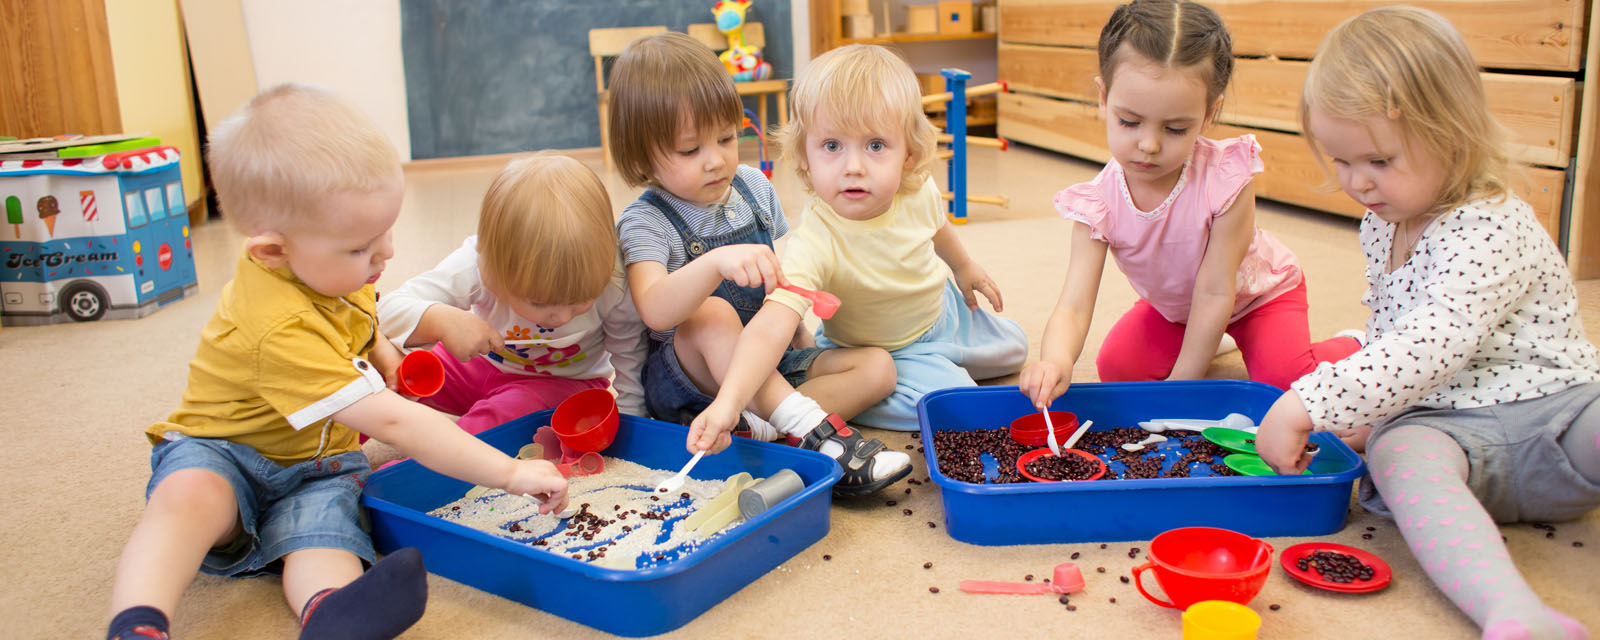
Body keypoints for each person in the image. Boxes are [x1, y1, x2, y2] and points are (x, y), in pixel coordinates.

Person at [105, 84, 570, 640]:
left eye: (385, 234)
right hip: (227, 452)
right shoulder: (276, 325)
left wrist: (384, 353)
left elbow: (362, 315)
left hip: (318, 464)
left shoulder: (336, 274)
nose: (387, 255)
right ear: (273, 252)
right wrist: (509, 473)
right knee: (189, 499)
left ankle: (330, 612)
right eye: (360, 247)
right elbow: (395, 422)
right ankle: (139, 621)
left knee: (326, 533)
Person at [1254, 7, 1600, 639]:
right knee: (1397, 452)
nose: (1357, 182)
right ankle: (1512, 611)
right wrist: (1365, 418)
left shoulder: (1489, 222)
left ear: (1454, 134)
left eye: (1380, 161)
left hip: (1559, 415)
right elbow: (1396, 336)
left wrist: (1311, 400)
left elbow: (1436, 338)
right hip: (1452, 435)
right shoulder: (1381, 222)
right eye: (1340, 160)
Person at [1018, 0, 1360, 412]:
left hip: (1258, 295)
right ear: (1103, 98)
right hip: (1176, 308)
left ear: (1208, 114)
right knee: (1118, 368)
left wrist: (1183, 385)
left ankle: (1354, 344)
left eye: (1176, 128)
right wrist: (1055, 358)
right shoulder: (1097, 202)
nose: (1149, 144)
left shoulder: (1227, 178)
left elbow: (1217, 291)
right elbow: (1072, 305)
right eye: (1129, 122)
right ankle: (1209, 343)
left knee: (1283, 388)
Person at [608, 32, 910, 496]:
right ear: (642, 156)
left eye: (727, 138)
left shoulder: (753, 186)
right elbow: (654, 309)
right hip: (693, 384)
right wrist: (713, 264)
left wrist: (801, 338)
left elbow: (777, 286)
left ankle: (761, 430)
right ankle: (816, 431)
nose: (715, 161)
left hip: (764, 367)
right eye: (690, 150)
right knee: (710, 313)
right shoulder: (645, 221)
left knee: (878, 368)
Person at [691, 44, 1028, 447]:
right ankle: (801, 410)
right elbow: (770, 326)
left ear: (909, 154)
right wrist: (730, 400)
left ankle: (938, 359)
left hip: (944, 314)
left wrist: (963, 267)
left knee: (1017, 350)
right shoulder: (816, 240)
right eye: (832, 146)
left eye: (875, 145)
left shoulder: (917, 188)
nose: (854, 166)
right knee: (960, 406)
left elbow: (935, 228)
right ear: (804, 156)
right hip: (881, 350)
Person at [375, 153, 647, 436]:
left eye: (582, 301)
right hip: (474, 366)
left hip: (562, 385)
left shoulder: (614, 280)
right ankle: (331, 446)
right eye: (539, 303)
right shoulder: (478, 262)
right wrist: (443, 319)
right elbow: (384, 313)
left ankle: (421, 468)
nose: (563, 317)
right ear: (495, 268)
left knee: (496, 424)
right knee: (373, 370)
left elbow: (630, 352)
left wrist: (631, 421)